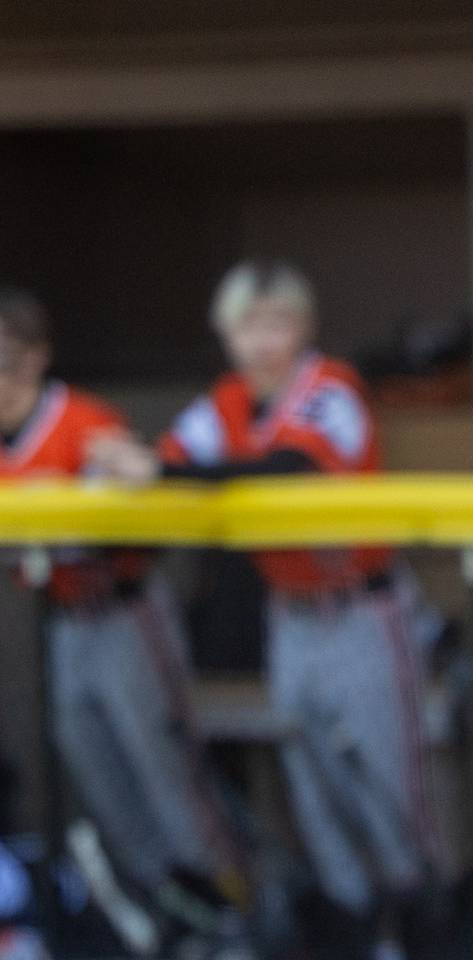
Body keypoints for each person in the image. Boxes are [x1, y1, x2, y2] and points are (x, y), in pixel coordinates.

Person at [88, 261, 438, 958]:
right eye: (248, 324)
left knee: (391, 793)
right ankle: (357, 935)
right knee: (313, 791)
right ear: (227, 334)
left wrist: (162, 472)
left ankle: (425, 934)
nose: (262, 340)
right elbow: (171, 460)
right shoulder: (225, 402)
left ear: (303, 328)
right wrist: (124, 464)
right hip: (291, 618)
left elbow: (290, 468)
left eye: (277, 322)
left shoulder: (330, 388)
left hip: (362, 612)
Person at [0, 287, 249, 952]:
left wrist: (74, 514)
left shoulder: (83, 421)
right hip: (64, 620)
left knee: (165, 767)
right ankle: (167, 907)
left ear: (36, 358)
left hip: (126, 610)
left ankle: (235, 913)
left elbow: (152, 522)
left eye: (8, 357)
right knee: (94, 764)